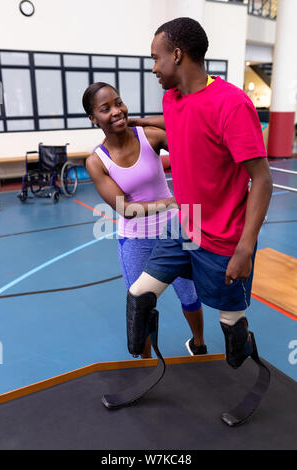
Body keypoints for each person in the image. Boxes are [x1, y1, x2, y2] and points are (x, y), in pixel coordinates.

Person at [126, 17, 273, 369]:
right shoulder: (172, 100)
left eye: (156, 58)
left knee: (231, 330)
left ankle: (241, 343)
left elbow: (263, 180)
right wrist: (144, 122)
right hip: (184, 224)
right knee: (139, 296)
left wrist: (245, 249)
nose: (153, 68)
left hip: (224, 238)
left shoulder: (232, 105)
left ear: (177, 55)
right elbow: (183, 119)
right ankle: (140, 365)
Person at [82, 81, 207, 359]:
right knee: (141, 303)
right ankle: (146, 362)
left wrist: (136, 120)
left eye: (118, 103)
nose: (116, 111)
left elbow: (185, 126)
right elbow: (123, 208)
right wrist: (171, 202)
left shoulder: (150, 136)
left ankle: (199, 344)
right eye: (106, 109)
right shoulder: (97, 161)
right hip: (136, 239)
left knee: (189, 293)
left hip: (174, 231)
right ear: (93, 118)